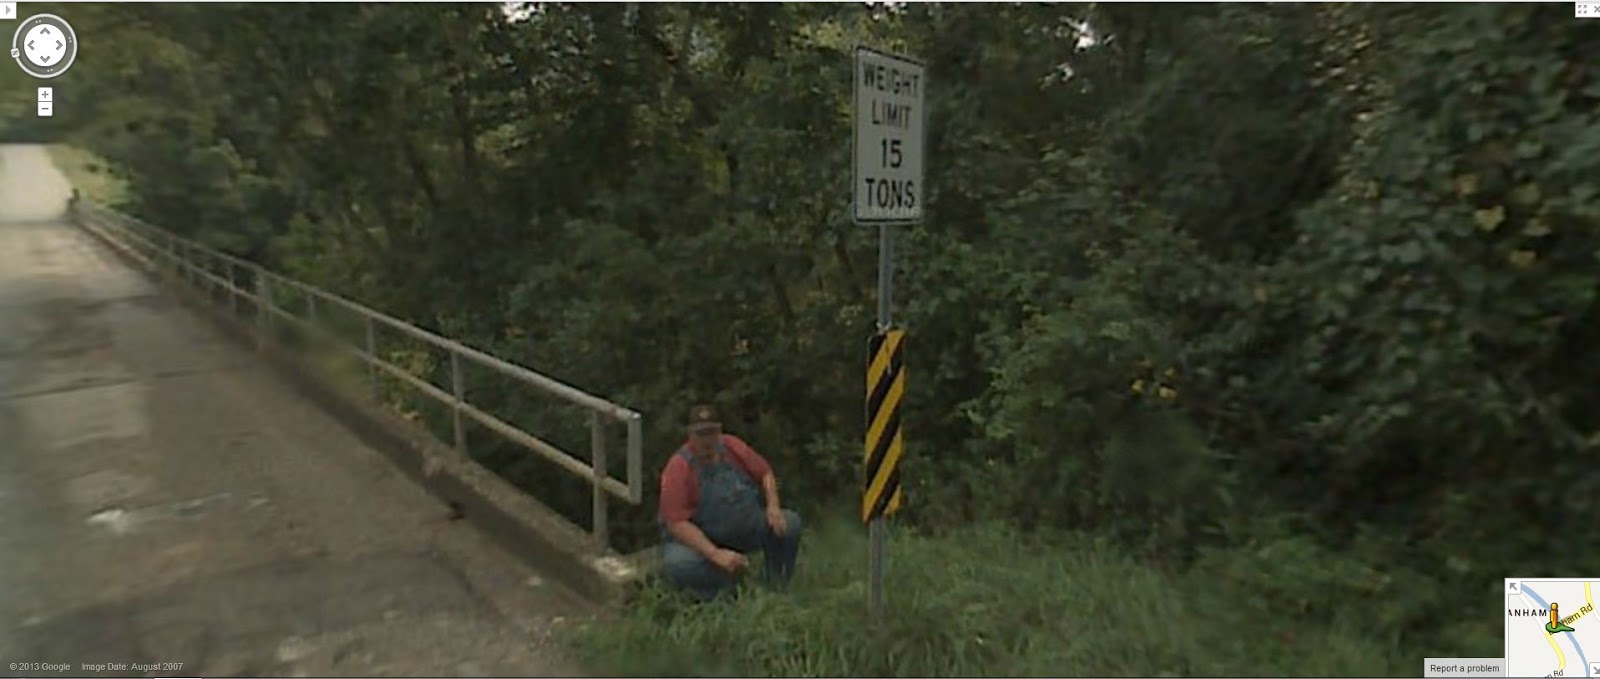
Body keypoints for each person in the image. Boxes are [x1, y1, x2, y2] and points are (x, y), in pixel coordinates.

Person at [657, 404, 803, 601]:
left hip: (745, 529)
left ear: (719, 431)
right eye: (700, 434)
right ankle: (731, 590)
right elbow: (676, 523)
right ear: (690, 435)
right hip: (704, 542)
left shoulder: (733, 447)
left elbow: (765, 472)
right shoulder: (678, 467)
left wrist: (773, 506)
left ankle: (775, 587)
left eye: (711, 432)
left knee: (791, 524)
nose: (706, 440)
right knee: (677, 564)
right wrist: (714, 553)